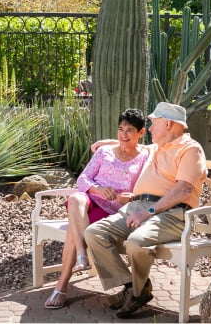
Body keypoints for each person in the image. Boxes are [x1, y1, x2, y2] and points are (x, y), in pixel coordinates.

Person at [83, 102, 207, 318]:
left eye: (153, 124)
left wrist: (149, 211)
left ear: (168, 124)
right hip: (136, 206)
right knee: (94, 233)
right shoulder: (158, 146)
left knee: (136, 242)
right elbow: (136, 144)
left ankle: (137, 291)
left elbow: (184, 189)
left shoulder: (190, 149)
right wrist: (109, 143)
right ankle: (133, 287)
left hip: (171, 213)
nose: (149, 129)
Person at [43, 108, 152, 310]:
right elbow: (83, 178)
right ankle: (82, 255)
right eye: (120, 129)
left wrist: (132, 196)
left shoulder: (145, 156)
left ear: (141, 133)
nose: (123, 135)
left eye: (130, 130)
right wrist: (97, 188)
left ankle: (61, 286)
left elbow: (149, 177)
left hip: (116, 212)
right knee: (76, 198)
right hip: (91, 201)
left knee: (72, 234)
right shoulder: (104, 152)